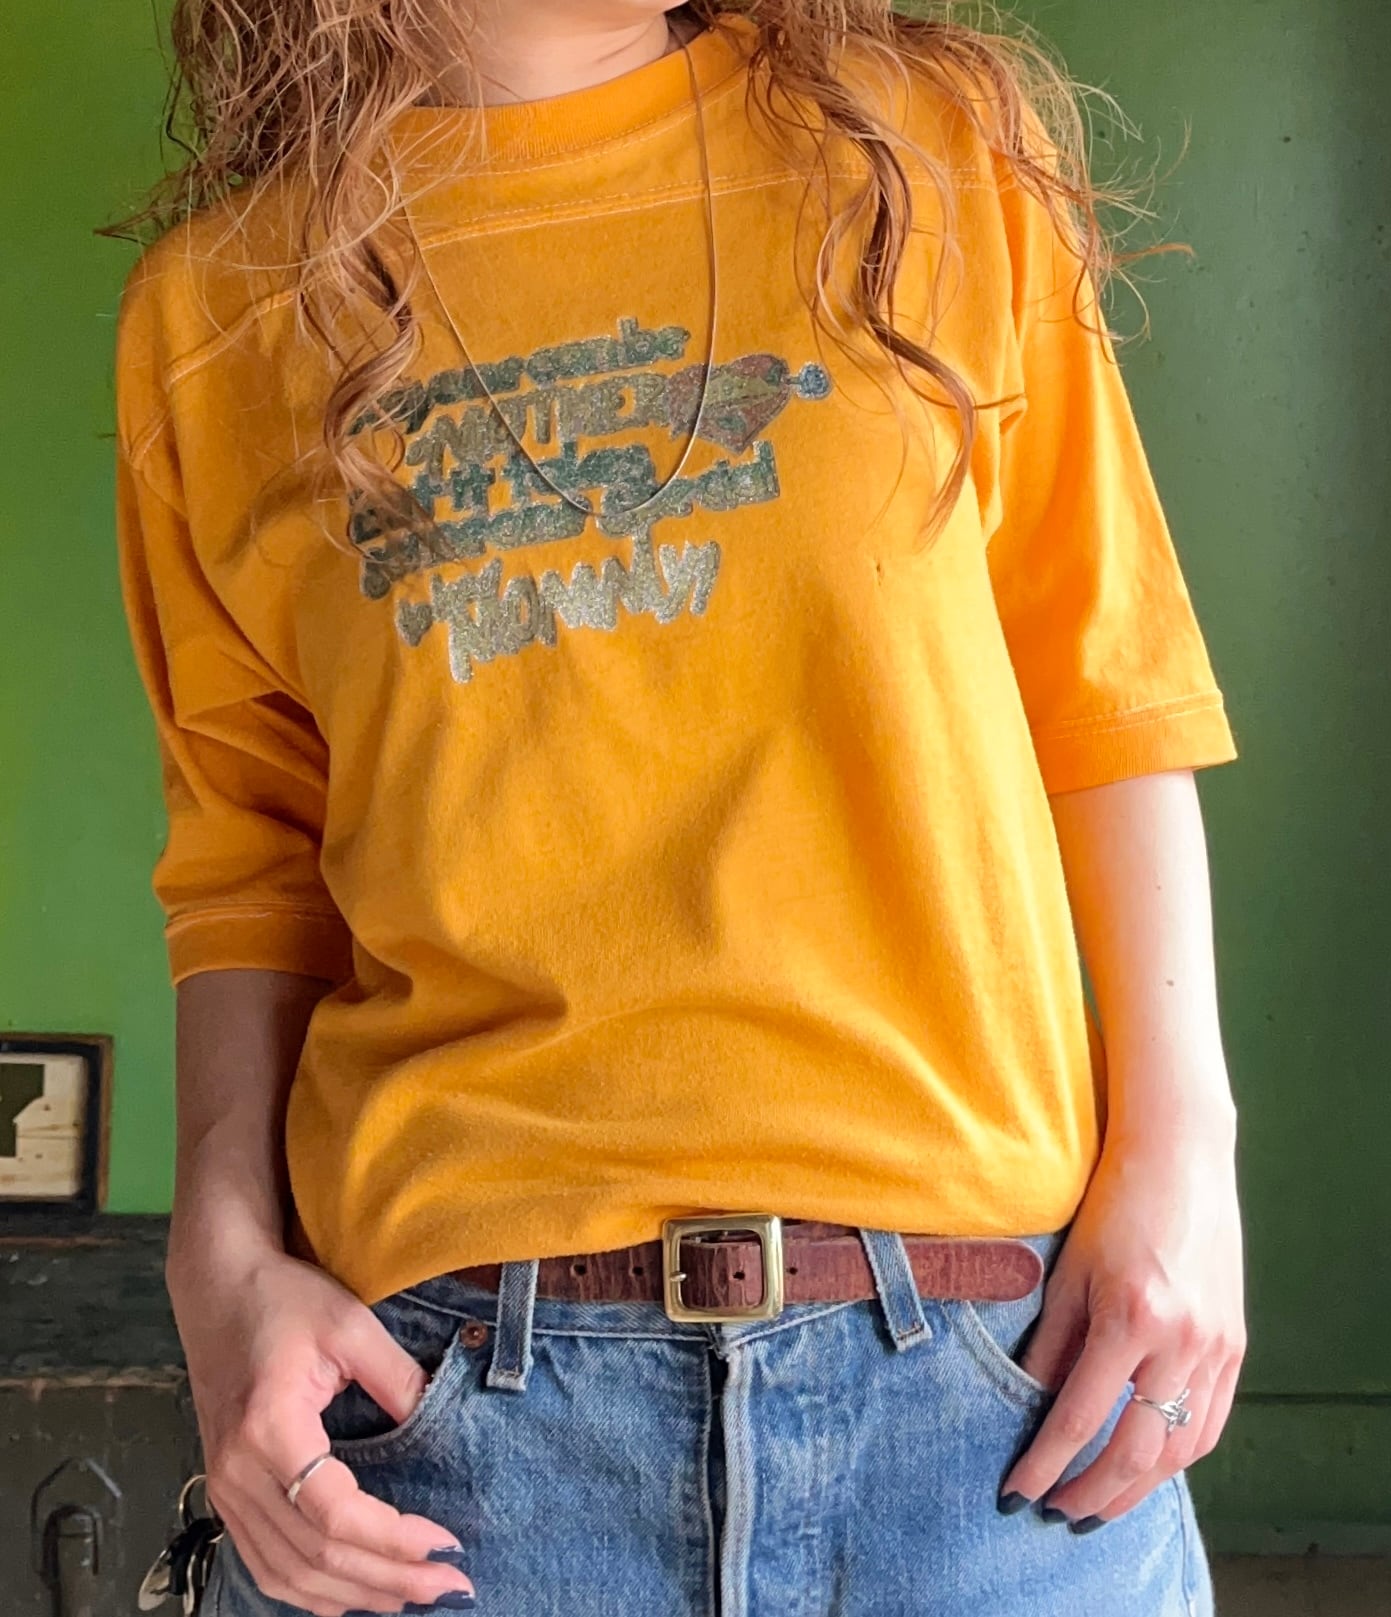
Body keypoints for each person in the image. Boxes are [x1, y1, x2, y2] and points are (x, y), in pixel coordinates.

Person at [111, 2, 1246, 1613]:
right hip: (452, 1446)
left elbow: (1107, 691)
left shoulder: (930, 151)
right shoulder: (217, 310)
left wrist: (1186, 1156)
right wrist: (216, 1266)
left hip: (984, 1410)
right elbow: (248, 866)